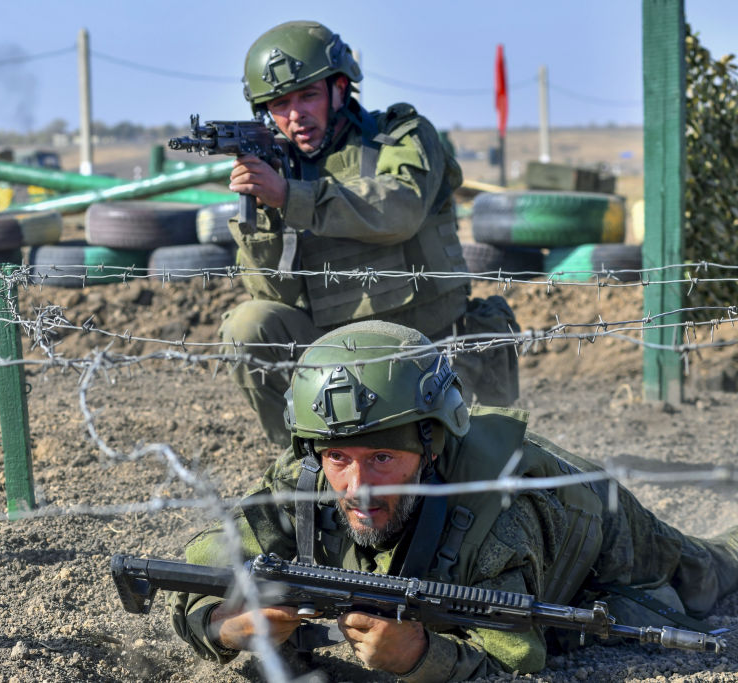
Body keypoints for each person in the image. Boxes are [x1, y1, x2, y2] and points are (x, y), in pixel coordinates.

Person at [168, 320, 738, 681]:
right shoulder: (307, 472)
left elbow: (514, 661)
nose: (357, 487)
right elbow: (207, 560)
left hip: (593, 525)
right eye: (339, 459)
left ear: (432, 445)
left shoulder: (494, 525)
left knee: (703, 578)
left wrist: (418, 656)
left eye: (383, 460)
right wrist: (221, 627)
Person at [220, 21, 519, 448]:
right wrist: (266, 214)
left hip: (426, 348)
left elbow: (400, 209)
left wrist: (293, 196)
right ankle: (302, 459)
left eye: (308, 95)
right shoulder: (278, 172)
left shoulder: (400, 135)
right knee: (248, 323)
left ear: (340, 89)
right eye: (279, 103)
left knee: (465, 464)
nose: (294, 115)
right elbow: (273, 294)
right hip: (333, 352)